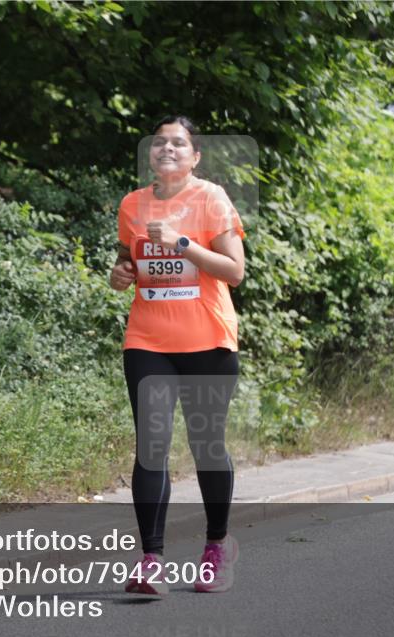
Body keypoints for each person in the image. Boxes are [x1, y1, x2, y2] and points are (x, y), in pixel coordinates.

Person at [109, 115, 246, 595]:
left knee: (207, 446)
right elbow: (131, 262)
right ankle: (152, 560)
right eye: (160, 142)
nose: (167, 149)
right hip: (148, 339)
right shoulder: (132, 205)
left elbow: (234, 271)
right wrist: (120, 275)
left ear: (195, 156)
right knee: (152, 445)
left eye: (179, 143)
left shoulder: (210, 197)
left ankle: (216, 547)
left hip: (208, 339)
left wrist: (183, 244)